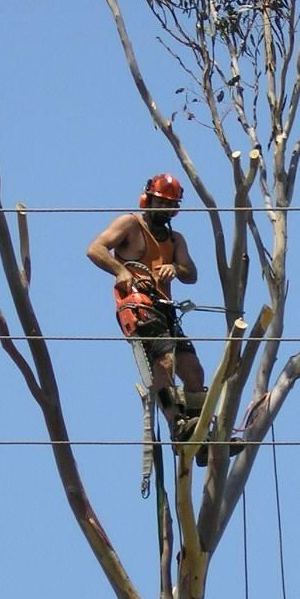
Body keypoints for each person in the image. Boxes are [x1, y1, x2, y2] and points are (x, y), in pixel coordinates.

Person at [86, 174, 207, 442]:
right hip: (140, 307)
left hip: (165, 310)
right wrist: (120, 271)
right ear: (147, 199)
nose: (165, 209)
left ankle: (200, 433)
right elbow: (96, 249)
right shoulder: (130, 224)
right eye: (160, 202)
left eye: (170, 205)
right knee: (164, 362)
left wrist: (174, 267)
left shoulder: (175, 240)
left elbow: (191, 274)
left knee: (192, 369)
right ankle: (177, 423)